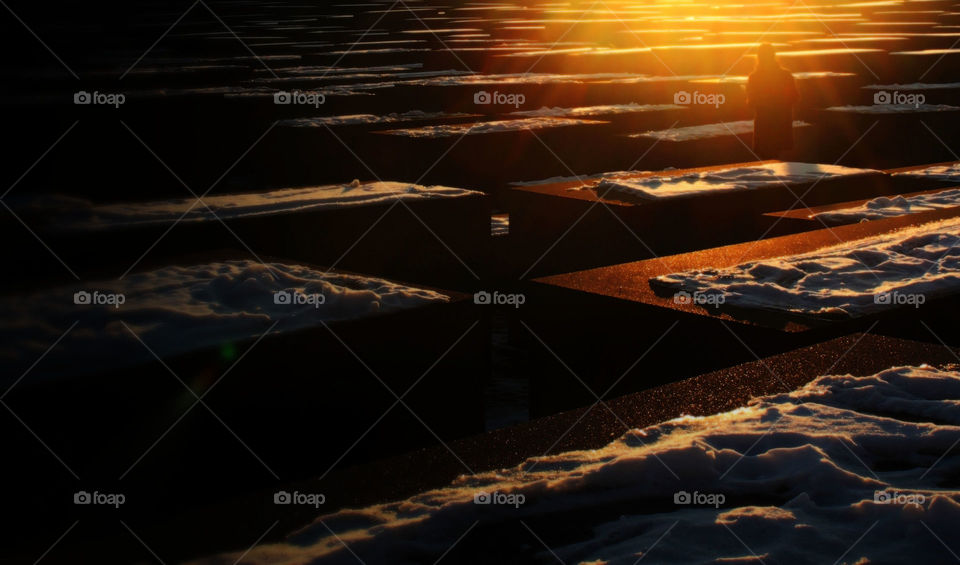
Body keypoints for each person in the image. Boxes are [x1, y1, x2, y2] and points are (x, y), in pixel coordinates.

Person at [746, 43, 798, 159]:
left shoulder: (754, 77)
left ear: (758, 57)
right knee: (778, 159)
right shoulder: (785, 75)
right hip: (781, 123)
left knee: (766, 160)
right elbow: (794, 97)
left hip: (764, 126)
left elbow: (751, 102)